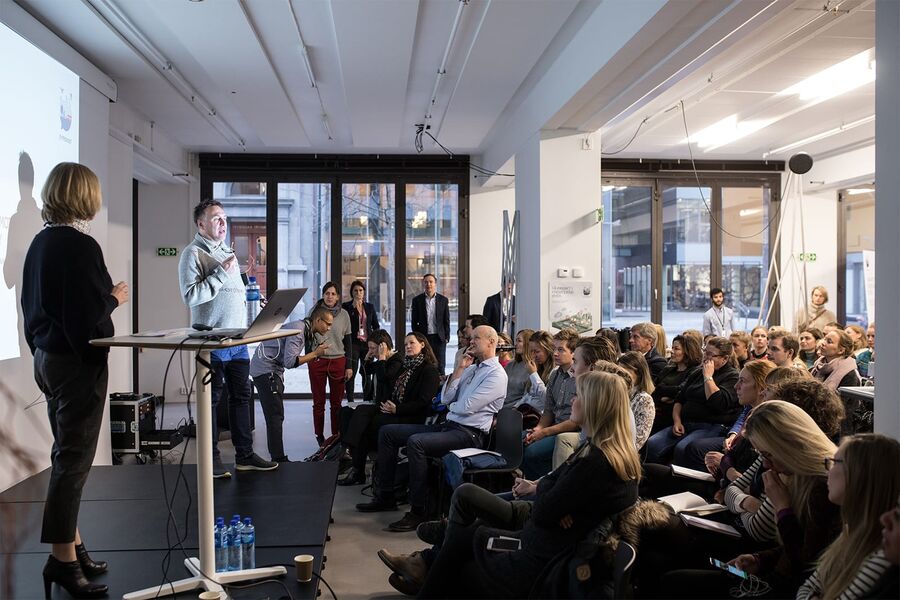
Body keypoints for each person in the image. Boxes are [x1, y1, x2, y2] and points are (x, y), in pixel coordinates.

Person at [388, 370, 641, 599]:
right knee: (467, 537)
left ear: (596, 406)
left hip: (539, 560)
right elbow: (551, 492)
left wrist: (552, 498)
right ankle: (430, 562)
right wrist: (555, 500)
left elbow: (542, 510)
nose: (573, 400)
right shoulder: (603, 452)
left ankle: (430, 561)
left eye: (579, 396)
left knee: (462, 550)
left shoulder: (595, 462)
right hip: (545, 544)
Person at [22, 162, 128, 598]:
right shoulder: (80, 247)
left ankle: (74, 545)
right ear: (85, 196)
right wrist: (114, 298)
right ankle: (62, 562)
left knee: (66, 457)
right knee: (72, 462)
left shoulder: (40, 243)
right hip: (75, 366)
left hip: (46, 360)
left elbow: (34, 309)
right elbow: (87, 322)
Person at [662, 401, 840, 598]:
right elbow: (794, 549)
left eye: (767, 455)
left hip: (780, 585)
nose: (765, 463)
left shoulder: (823, 487)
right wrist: (760, 559)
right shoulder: (789, 471)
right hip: (768, 569)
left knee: (674, 579)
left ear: (789, 447)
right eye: (760, 454)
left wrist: (782, 509)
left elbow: (803, 563)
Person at [356, 325, 507, 532]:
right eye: (470, 339)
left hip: (469, 435)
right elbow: (445, 398)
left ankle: (419, 510)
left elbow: (465, 407)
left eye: (476, 339)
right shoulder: (471, 369)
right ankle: (386, 496)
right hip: (450, 426)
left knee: (416, 443)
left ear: (492, 342)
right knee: (388, 432)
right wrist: (459, 369)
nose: (470, 342)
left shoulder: (497, 375)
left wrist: (452, 406)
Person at [178, 199, 276, 475]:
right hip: (212, 341)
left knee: (242, 398)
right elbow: (191, 296)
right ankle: (210, 461)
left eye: (224, 218)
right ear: (201, 224)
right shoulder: (193, 253)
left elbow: (233, 296)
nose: (223, 223)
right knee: (211, 401)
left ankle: (244, 455)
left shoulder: (226, 252)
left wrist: (256, 300)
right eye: (216, 218)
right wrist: (222, 272)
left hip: (237, 341)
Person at [797, 434, 900, 600]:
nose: (828, 470)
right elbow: (806, 588)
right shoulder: (849, 532)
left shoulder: (882, 552)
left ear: (861, 475)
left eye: (834, 462)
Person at [339, 331, 441, 486]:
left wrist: (397, 409)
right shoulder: (408, 366)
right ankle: (350, 455)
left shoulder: (428, 370)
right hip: (393, 408)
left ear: (422, 344)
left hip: (409, 415)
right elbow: (373, 373)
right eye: (405, 343)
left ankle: (355, 462)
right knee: (356, 413)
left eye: (411, 343)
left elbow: (423, 402)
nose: (407, 346)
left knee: (366, 425)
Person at [249, 307, 334, 463]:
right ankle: (279, 459)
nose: (328, 328)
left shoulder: (301, 328)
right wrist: (315, 354)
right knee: (275, 416)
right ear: (317, 320)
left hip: (267, 369)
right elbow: (290, 362)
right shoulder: (299, 331)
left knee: (275, 415)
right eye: (327, 324)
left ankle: (277, 457)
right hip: (266, 370)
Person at [644, 336, 739, 466]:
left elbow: (718, 403)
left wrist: (708, 377)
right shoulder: (697, 373)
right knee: (653, 443)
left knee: (682, 448)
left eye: (711, 355)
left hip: (711, 425)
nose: (706, 357)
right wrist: (677, 421)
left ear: (724, 359)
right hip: (686, 423)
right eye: (705, 351)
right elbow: (680, 399)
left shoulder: (731, 376)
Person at [521, 329, 579, 479]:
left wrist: (544, 432)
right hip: (553, 425)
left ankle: (545, 483)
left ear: (573, 353)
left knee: (531, 452)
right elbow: (548, 410)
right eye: (554, 349)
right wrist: (538, 428)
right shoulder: (555, 374)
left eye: (560, 350)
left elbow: (575, 422)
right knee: (519, 439)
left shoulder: (580, 377)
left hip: (569, 431)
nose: (555, 353)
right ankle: (536, 484)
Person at [308, 282, 353, 445]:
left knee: (336, 403)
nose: (330, 296)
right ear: (323, 295)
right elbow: (307, 338)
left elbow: (348, 342)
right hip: (318, 361)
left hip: (338, 361)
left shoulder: (344, 315)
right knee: (318, 402)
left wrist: (349, 366)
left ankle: (336, 435)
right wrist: (310, 359)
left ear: (338, 297)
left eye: (333, 294)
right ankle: (319, 436)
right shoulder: (314, 312)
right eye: (327, 293)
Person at [652, 334, 702, 433]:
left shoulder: (695, 371)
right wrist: (663, 397)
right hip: (658, 412)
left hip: (675, 417)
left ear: (687, 352)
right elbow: (653, 389)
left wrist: (662, 389)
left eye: (676, 349)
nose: (672, 351)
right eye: (672, 348)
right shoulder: (668, 369)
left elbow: (680, 391)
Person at [342, 279, 379, 402]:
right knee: (350, 373)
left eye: (361, 290)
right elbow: (345, 326)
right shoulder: (346, 307)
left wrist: (374, 340)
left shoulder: (370, 307)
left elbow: (376, 325)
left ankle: (367, 400)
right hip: (353, 344)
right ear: (352, 293)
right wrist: (353, 309)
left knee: (366, 373)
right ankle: (350, 401)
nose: (358, 293)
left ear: (364, 292)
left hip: (367, 345)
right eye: (356, 291)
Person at [410, 273, 451, 371]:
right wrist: (417, 338)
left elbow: (446, 320)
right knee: (424, 364)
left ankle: (440, 386)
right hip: (424, 338)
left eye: (431, 282)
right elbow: (414, 321)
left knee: (440, 365)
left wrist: (447, 337)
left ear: (435, 284)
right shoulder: (417, 300)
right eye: (426, 282)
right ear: (423, 284)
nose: (428, 284)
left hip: (439, 338)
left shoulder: (443, 300)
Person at [616, 351, 656, 450]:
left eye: (624, 372)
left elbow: (638, 440)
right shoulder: (618, 394)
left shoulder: (645, 400)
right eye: (618, 372)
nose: (619, 376)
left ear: (639, 373)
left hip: (624, 452)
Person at [517, 329, 555, 417]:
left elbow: (546, 400)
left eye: (537, 351)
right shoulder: (539, 368)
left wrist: (533, 374)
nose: (533, 356)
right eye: (531, 352)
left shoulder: (555, 372)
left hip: (540, 418)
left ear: (548, 351)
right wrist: (515, 407)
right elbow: (528, 395)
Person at [502, 328, 534, 408]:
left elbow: (528, 396)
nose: (515, 344)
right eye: (516, 341)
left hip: (517, 410)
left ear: (528, 343)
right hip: (501, 407)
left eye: (519, 341)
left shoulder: (533, 366)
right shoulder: (510, 365)